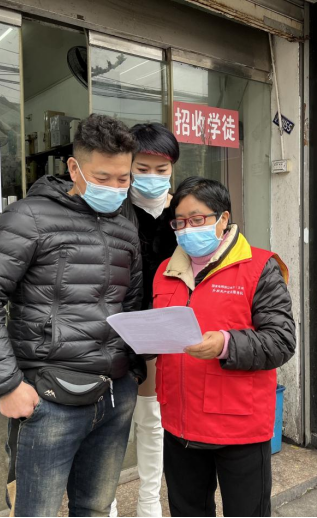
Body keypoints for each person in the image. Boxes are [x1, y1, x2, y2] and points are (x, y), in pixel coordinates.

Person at [0, 114, 146, 518]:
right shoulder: (28, 218)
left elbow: (129, 304)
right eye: (103, 177)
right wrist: (7, 385)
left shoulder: (125, 228)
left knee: (95, 508)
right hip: (49, 397)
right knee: (35, 511)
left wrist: (132, 371)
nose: (115, 188)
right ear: (74, 168)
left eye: (123, 178)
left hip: (115, 396)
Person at [153, 177, 296, 518]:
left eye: (197, 219)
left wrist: (226, 344)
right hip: (180, 423)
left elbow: (282, 340)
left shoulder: (260, 267)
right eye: (180, 222)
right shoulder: (165, 271)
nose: (188, 229)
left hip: (239, 426)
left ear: (223, 218)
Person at [115, 123, 178, 518]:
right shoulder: (113, 206)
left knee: (152, 417)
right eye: (142, 168)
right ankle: (105, 502)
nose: (152, 177)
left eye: (161, 169)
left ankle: (149, 500)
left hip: (161, 327)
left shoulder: (184, 210)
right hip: (115, 326)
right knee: (114, 419)